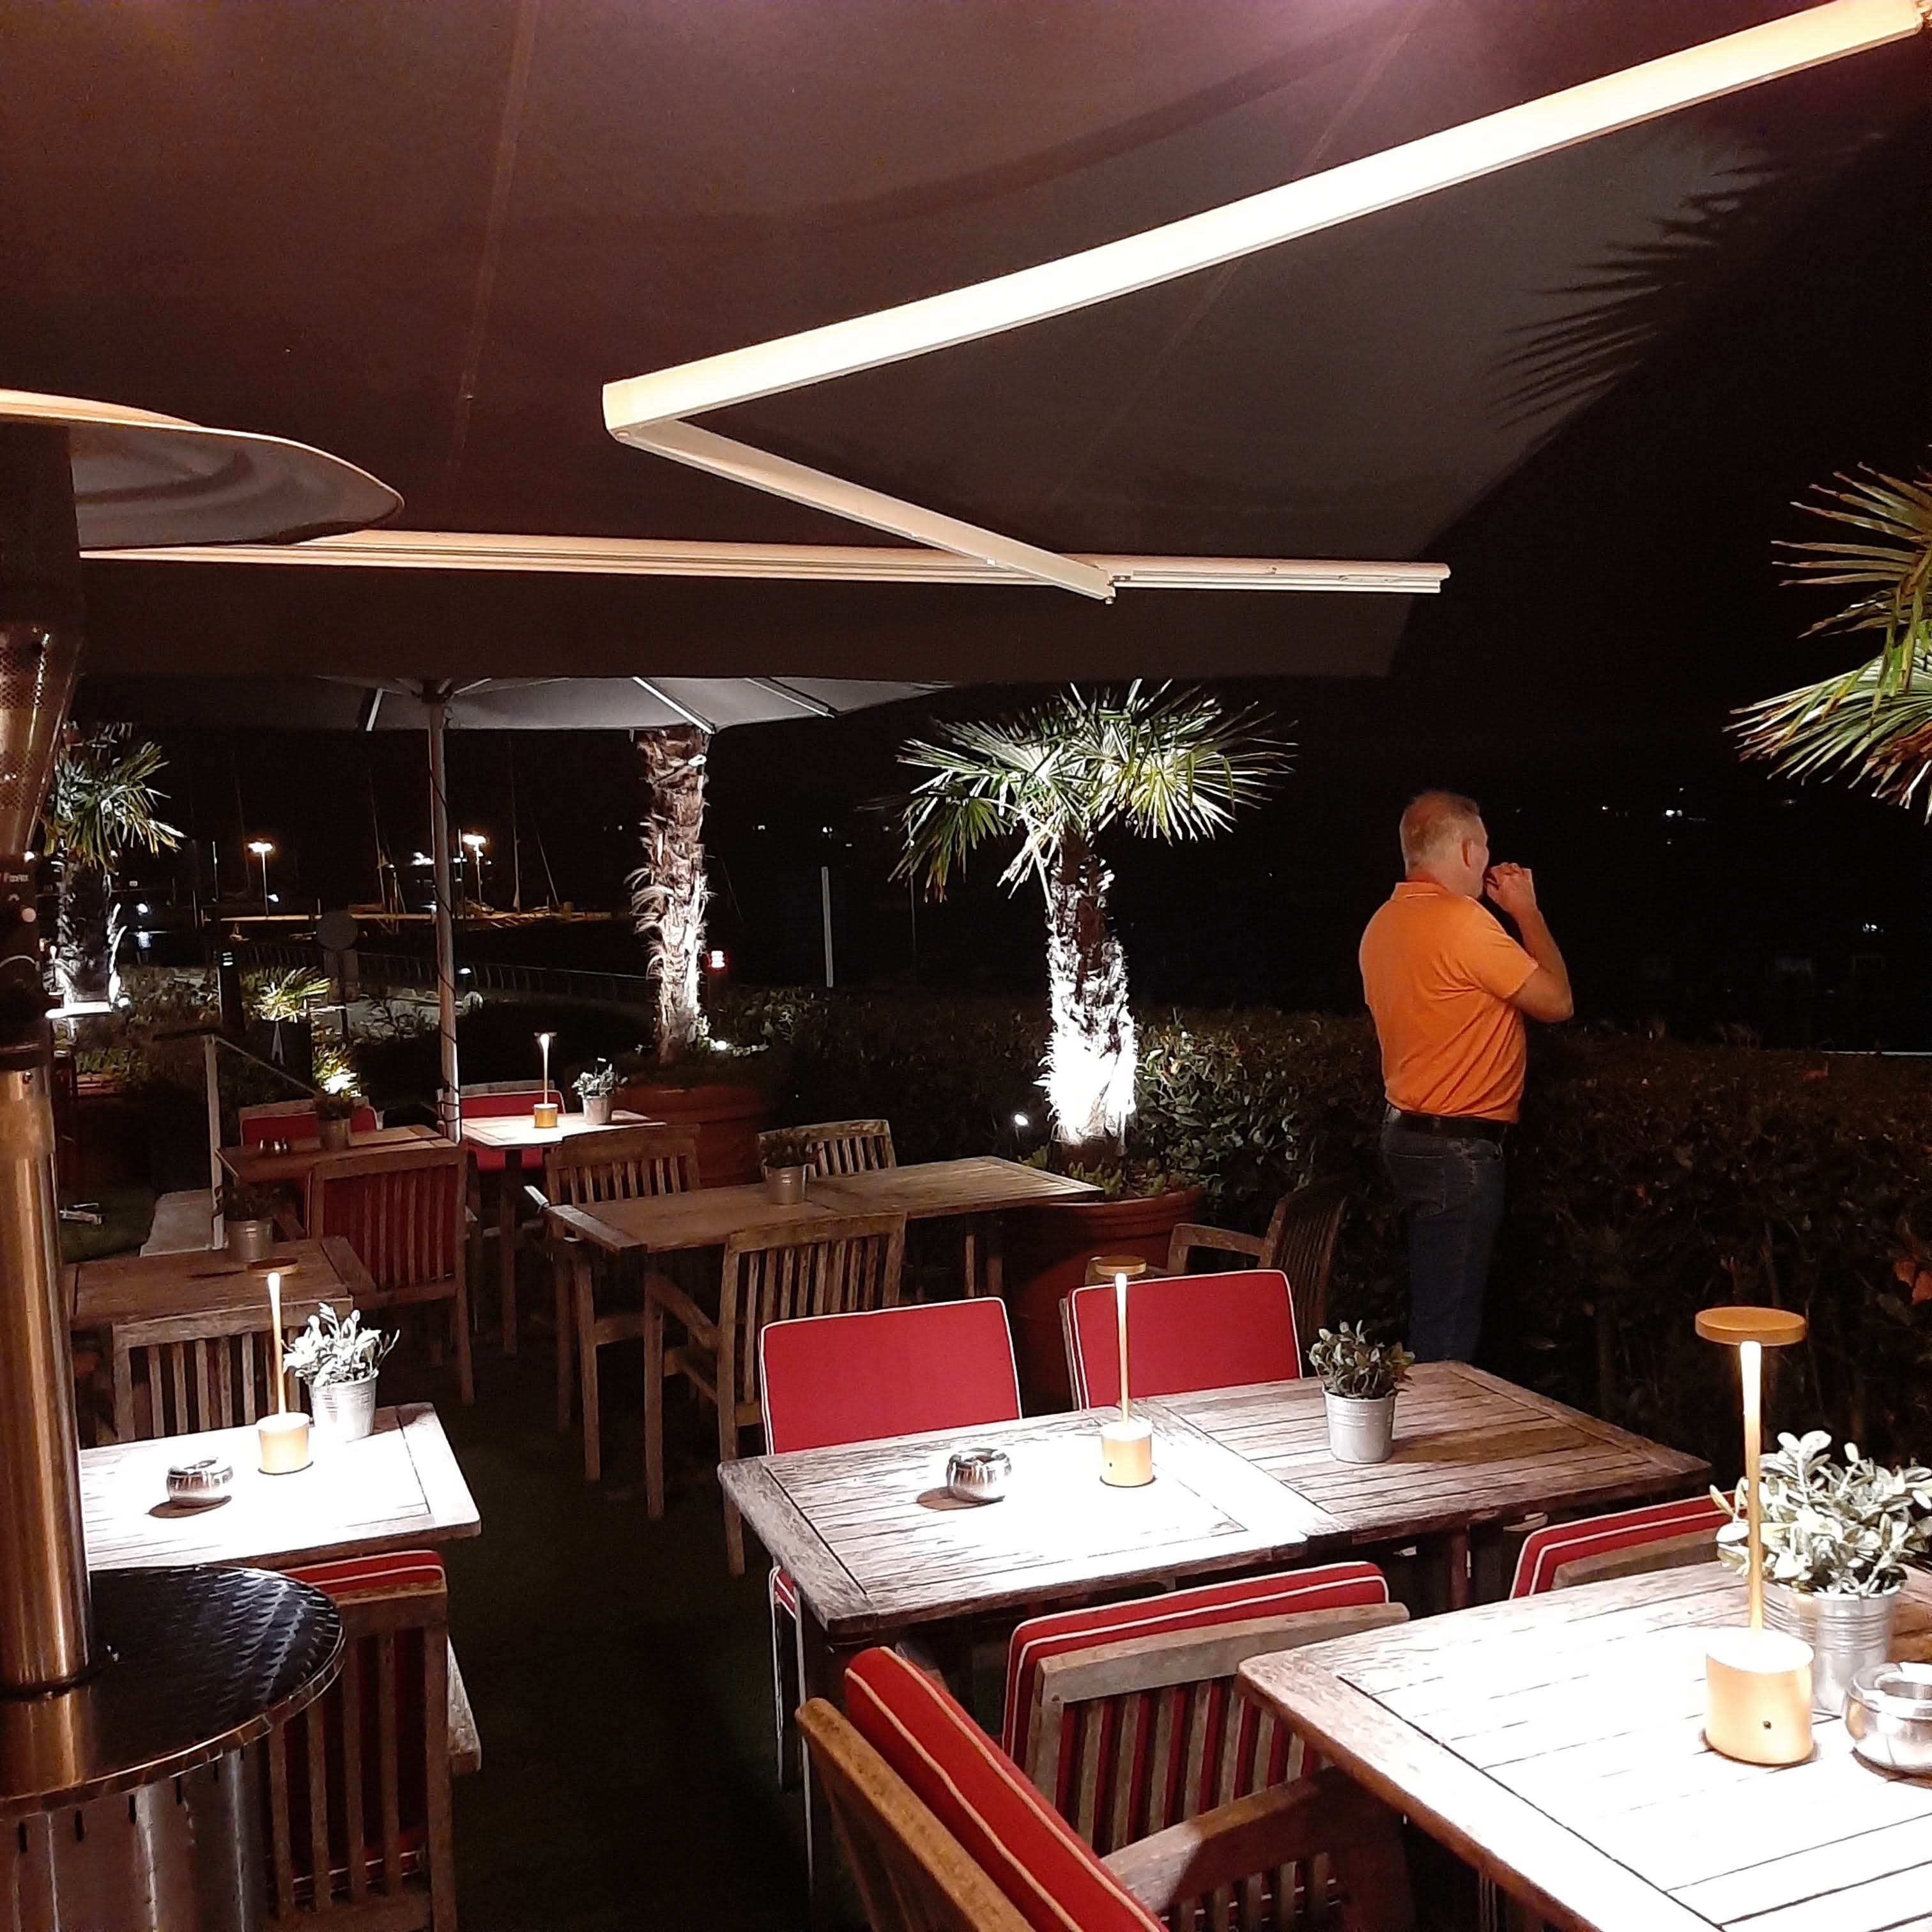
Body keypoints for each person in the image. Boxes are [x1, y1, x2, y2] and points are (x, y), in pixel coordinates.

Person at [1358, 791, 1572, 1362]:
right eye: (1484, 846)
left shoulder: (1383, 923)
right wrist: (1527, 912)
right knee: (1448, 1327)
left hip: (1405, 1135)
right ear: (1466, 848)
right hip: (1457, 1150)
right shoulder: (1462, 923)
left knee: (1435, 1303)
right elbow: (1556, 1001)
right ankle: (1437, 1417)